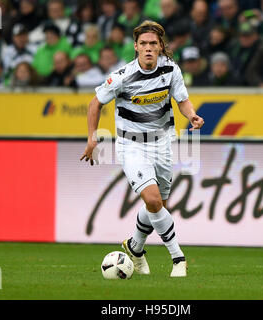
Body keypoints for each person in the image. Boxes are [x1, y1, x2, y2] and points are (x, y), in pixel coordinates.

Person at [80, 20, 204, 278]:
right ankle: (178, 258)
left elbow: (182, 100)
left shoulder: (171, 70)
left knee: (159, 206)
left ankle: (135, 247)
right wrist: (92, 137)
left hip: (162, 143)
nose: (148, 48)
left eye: (153, 44)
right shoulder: (122, 77)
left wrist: (191, 115)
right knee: (153, 200)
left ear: (160, 47)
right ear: (136, 47)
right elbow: (95, 103)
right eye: (144, 44)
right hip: (131, 145)